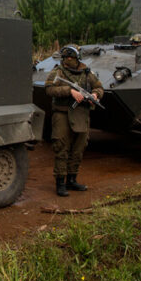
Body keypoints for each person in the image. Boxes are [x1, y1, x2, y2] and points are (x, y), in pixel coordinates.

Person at [45, 45, 104, 197]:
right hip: (62, 114)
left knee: (78, 148)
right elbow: (49, 89)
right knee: (61, 147)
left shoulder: (86, 72)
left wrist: (95, 95)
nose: (68, 60)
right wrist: (69, 91)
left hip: (81, 114)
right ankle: (60, 183)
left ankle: (72, 179)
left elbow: (99, 87)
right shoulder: (58, 71)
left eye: (71, 57)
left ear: (77, 58)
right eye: (66, 58)